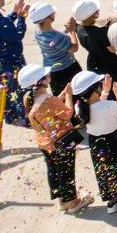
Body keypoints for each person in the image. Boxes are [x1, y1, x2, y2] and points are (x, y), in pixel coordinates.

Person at [19, 64, 93, 215]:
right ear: (40, 81)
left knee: (54, 170)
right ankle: (73, 202)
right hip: (61, 140)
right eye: (46, 75)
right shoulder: (49, 100)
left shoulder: (28, 97)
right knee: (66, 170)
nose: (49, 76)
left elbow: (48, 109)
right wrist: (69, 95)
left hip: (44, 141)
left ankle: (62, 201)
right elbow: (67, 114)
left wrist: (62, 94)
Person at [72, 70, 117, 214]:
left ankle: (113, 201)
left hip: (96, 143)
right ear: (94, 88)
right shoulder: (108, 105)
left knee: (106, 170)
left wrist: (104, 92)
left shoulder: (80, 107)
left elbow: (98, 106)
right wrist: (116, 91)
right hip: (116, 139)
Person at [71, 0, 117, 102]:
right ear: (92, 15)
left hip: (93, 62)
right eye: (96, 11)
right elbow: (112, 50)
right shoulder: (101, 32)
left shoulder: (79, 29)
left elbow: (92, 34)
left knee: (102, 88)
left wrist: (105, 28)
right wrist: (109, 30)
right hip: (109, 64)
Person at [31, 1, 82, 95]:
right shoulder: (56, 37)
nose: (54, 13)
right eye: (52, 13)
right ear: (47, 18)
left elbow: (53, 42)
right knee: (76, 95)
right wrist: (72, 31)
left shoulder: (37, 31)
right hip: (67, 69)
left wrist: (66, 31)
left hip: (53, 72)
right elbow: (74, 48)